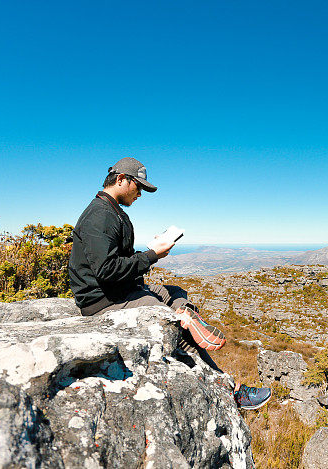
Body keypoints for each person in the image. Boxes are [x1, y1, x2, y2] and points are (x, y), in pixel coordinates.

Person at [68, 157, 271, 410]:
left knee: (174, 292)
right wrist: (152, 255)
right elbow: (106, 270)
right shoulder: (100, 216)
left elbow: (115, 261)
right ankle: (229, 389)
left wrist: (152, 250)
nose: (140, 194)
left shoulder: (112, 213)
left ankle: (187, 315)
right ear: (121, 179)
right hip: (103, 300)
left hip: (121, 290)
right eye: (138, 187)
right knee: (167, 318)